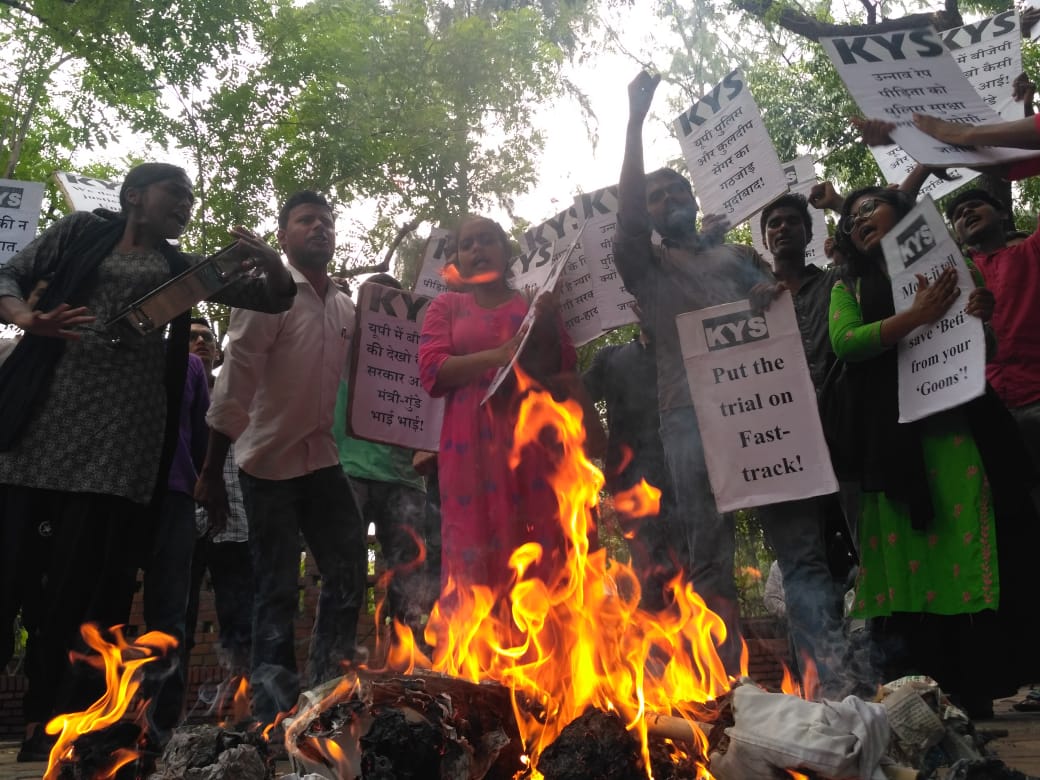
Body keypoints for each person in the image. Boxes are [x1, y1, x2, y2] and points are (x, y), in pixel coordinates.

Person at [0, 162, 295, 760]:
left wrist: (266, 254)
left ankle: (52, 721)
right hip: (38, 429)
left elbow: (276, 297)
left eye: (191, 199)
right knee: (12, 572)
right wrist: (26, 316)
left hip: (120, 444)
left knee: (82, 584)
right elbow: (10, 271)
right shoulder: (80, 231)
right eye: (175, 194)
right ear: (134, 195)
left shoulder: (181, 270)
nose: (185, 205)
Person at [829, 186, 1039, 718]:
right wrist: (918, 315)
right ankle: (916, 701)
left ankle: (974, 694)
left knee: (967, 556)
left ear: (902, 215)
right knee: (910, 568)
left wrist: (980, 315)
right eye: (851, 215)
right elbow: (847, 342)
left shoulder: (951, 262)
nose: (859, 218)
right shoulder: (847, 283)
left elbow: (984, 349)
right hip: (892, 449)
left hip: (959, 436)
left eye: (869, 207)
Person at [614, 71, 772, 673]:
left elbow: (782, 311)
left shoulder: (736, 256)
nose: (669, 199)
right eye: (656, 196)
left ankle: (829, 682)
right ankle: (724, 683)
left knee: (797, 544)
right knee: (706, 551)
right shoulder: (646, 266)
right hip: (687, 415)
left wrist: (767, 294)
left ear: (695, 199)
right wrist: (634, 123)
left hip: (766, 410)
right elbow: (626, 219)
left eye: (678, 189)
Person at [196, 190, 367, 726]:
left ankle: (325, 696)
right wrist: (211, 474)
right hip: (265, 465)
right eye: (306, 220)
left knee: (347, 575)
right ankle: (276, 715)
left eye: (327, 221)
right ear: (284, 235)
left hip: (322, 459)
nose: (320, 228)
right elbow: (236, 380)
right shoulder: (265, 295)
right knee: (274, 588)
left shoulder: (344, 306)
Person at [417, 215, 580, 597]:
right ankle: (478, 648)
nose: (477, 249)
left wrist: (548, 319)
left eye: (487, 240)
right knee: (472, 550)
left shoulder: (532, 300)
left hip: (531, 444)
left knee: (538, 547)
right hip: (468, 447)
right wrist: (499, 355)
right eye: (468, 244)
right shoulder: (447, 306)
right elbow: (432, 371)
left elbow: (564, 365)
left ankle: (545, 649)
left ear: (506, 252)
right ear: (457, 257)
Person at [750, 194, 855, 694]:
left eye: (793, 221)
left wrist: (841, 205)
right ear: (764, 237)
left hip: (844, 437)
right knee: (803, 564)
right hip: (781, 451)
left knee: (863, 556)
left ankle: (874, 677)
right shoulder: (749, 300)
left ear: (810, 234)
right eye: (773, 223)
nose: (783, 228)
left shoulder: (835, 283)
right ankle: (821, 685)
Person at [335, 274, 438, 642]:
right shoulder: (342, 337)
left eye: (393, 297)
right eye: (375, 298)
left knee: (410, 589)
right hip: (347, 472)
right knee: (342, 582)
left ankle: (412, 680)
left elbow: (437, 399)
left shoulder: (420, 346)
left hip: (404, 480)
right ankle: (327, 685)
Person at [582, 316, 679, 611]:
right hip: (630, 483)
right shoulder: (611, 359)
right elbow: (574, 394)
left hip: (686, 479)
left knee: (690, 566)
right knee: (649, 565)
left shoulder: (689, 354)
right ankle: (657, 645)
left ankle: (695, 648)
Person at [943, 189, 1040, 472]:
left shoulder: (1032, 251)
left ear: (1003, 214)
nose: (966, 214)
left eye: (975, 206)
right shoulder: (952, 278)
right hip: (990, 408)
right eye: (958, 216)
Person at [184, 317, 254, 697]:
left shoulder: (238, 392)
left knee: (240, 617)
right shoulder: (170, 391)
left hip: (237, 519)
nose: (200, 342)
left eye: (207, 337)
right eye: (192, 337)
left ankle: (244, 711)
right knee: (179, 616)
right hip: (184, 518)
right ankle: (166, 715)